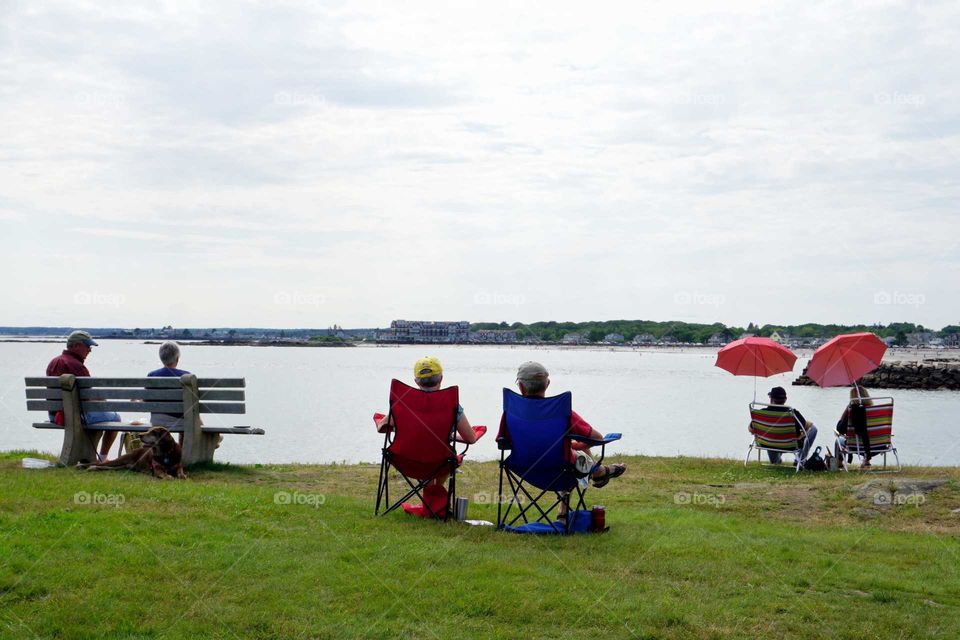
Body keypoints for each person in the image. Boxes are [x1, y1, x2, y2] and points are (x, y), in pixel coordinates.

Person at [511, 361, 626, 489]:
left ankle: (566, 504)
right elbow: (597, 438)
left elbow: (503, 441)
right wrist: (576, 446)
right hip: (560, 468)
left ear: (520, 386)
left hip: (523, 466)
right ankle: (601, 471)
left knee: (566, 446)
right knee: (569, 450)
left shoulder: (511, 413)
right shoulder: (563, 413)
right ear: (547, 384)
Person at [376, 356, 478, 493]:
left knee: (431, 457)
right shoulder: (451, 405)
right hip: (440, 464)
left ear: (416, 381)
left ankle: (431, 500)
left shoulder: (403, 402)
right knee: (445, 459)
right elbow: (471, 438)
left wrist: (402, 429)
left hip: (405, 461)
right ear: (441, 378)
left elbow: (381, 427)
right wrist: (452, 436)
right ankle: (434, 498)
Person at [45, 330, 121, 462]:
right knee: (115, 418)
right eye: (87, 346)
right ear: (76, 346)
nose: (89, 350)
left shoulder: (54, 361)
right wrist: (102, 400)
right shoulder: (76, 365)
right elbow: (87, 398)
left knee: (99, 416)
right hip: (74, 416)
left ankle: (87, 456)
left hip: (54, 415)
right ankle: (102, 459)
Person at [763, 386, 818, 465]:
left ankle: (775, 460)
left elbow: (751, 429)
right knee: (813, 429)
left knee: (770, 434)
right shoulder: (793, 413)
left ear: (771, 398)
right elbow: (806, 426)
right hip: (790, 445)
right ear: (785, 399)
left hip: (769, 444)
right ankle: (799, 460)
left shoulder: (763, 413)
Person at [147, 341, 190, 431]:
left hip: (156, 421)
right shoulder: (186, 376)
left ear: (161, 358)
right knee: (189, 416)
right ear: (177, 358)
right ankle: (183, 445)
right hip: (181, 421)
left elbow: (147, 400)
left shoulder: (152, 375)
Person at [835, 386, 874, 468]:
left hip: (856, 445)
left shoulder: (852, 411)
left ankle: (838, 463)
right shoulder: (875, 411)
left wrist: (846, 411)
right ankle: (867, 460)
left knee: (839, 440)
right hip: (877, 444)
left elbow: (840, 429)